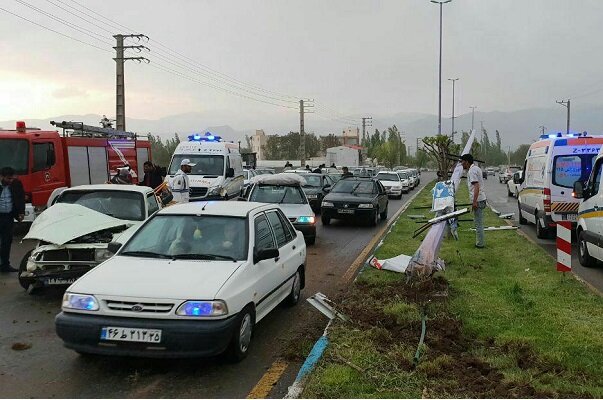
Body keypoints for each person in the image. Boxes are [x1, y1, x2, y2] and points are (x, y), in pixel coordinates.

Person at [0, 167, 25, 273]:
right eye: (8, 179)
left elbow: (20, 198)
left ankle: (5, 265)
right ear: (1, 177)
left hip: (8, 216)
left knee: (7, 241)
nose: (10, 181)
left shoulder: (16, 184)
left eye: (12, 179)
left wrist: (21, 212)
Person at [461, 154, 487, 248]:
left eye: (462, 161)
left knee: (478, 223)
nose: (461, 163)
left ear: (467, 162)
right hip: (481, 198)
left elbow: (476, 186)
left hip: (478, 200)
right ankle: (480, 242)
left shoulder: (472, 171)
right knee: (478, 221)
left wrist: (474, 201)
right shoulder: (476, 168)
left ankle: (480, 244)